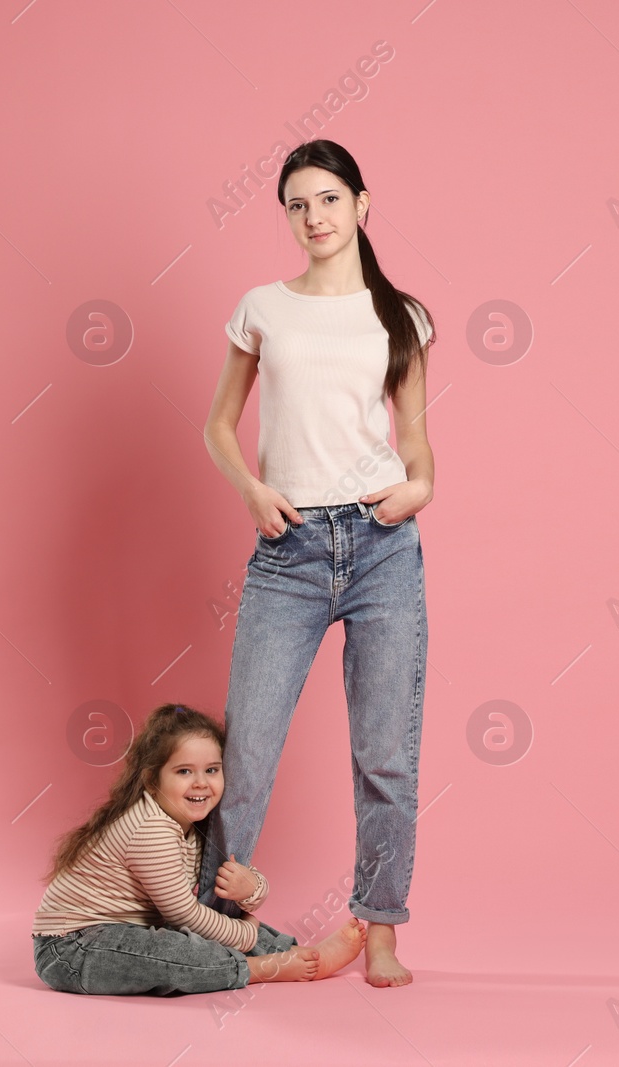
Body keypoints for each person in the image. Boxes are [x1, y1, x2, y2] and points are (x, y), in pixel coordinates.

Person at [199, 139, 435, 987]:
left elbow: (411, 431)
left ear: (363, 204)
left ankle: (378, 928)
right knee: (248, 747)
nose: (315, 218)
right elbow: (219, 423)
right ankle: (213, 920)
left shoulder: (400, 316)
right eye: (298, 204)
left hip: (382, 545)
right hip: (288, 549)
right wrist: (252, 492)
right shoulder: (264, 306)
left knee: (387, 752)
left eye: (329, 199)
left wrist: (424, 485)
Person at [32, 703, 365, 995]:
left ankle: (298, 953)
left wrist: (252, 889)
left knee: (219, 916)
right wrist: (245, 937)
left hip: (128, 932)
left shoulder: (196, 821)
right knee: (173, 951)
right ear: (151, 781)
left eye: (211, 770)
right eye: (183, 772)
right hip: (72, 947)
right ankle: (262, 968)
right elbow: (182, 915)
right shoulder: (151, 827)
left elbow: (233, 877)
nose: (201, 783)